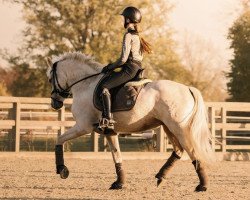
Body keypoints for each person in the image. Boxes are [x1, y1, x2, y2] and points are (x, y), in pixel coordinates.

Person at [98, 6, 152, 132]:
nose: (122, 20)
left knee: (104, 86)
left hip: (129, 69)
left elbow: (123, 59)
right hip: (137, 68)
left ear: (128, 19)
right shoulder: (138, 36)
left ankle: (107, 119)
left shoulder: (128, 35)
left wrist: (110, 67)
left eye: (123, 18)